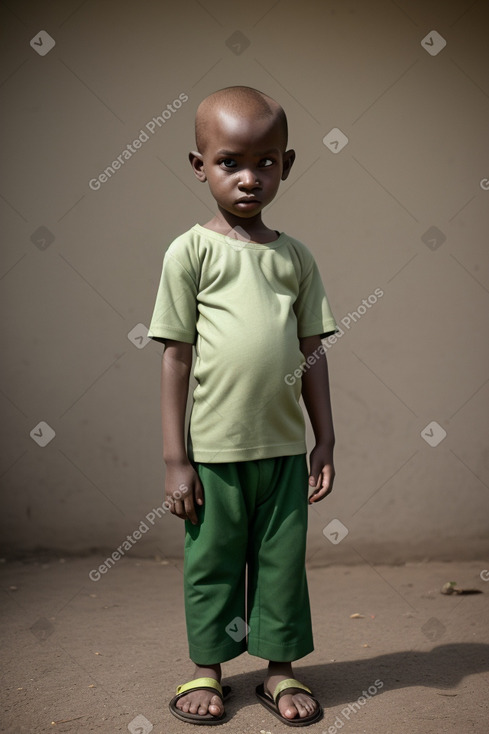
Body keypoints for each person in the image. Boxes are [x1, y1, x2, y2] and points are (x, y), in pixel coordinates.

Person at [148, 85, 338, 726]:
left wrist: (326, 440)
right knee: (214, 563)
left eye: (266, 162)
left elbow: (313, 352)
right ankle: (206, 670)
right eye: (231, 162)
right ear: (199, 165)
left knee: (282, 566)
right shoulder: (190, 253)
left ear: (288, 163)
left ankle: (279, 673)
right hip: (213, 455)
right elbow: (176, 357)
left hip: (283, 452)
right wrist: (177, 459)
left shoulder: (296, 258)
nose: (250, 177)